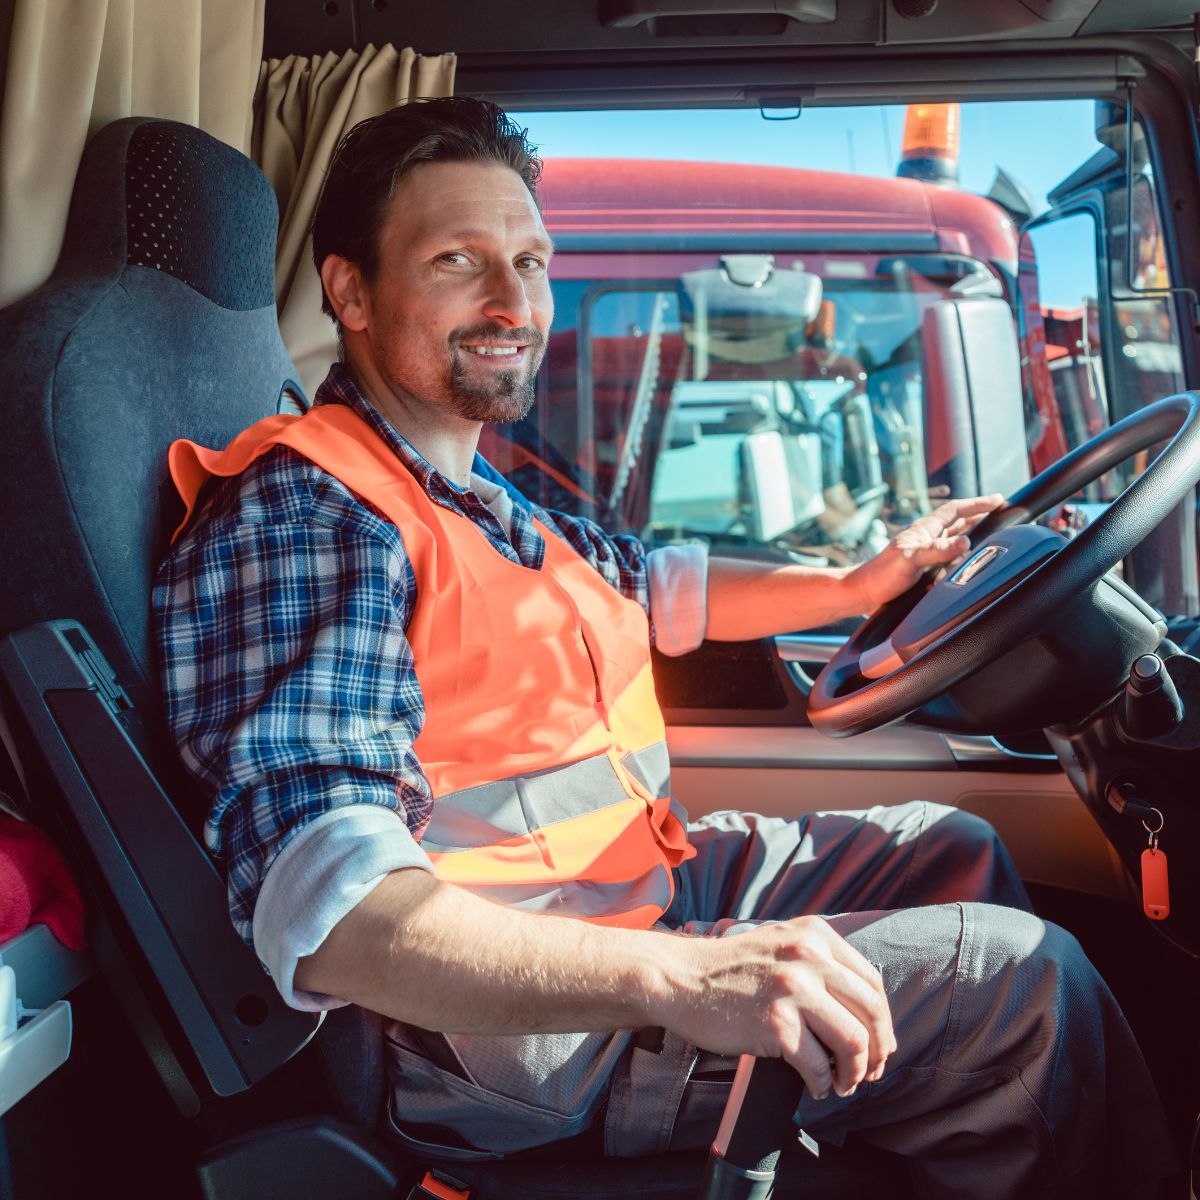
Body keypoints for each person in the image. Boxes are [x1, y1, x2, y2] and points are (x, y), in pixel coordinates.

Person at [153, 97, 1174, 1197]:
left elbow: (649, 585)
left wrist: (855, 581)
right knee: (1025, 986)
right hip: (489, 1043)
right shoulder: (316, 513)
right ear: (350, 291)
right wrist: (685, 974)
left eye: (531, 260)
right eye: (459, 261)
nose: (514, 303)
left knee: (949, 847)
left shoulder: (462, 488)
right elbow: (336, 915)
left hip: (619, 891)